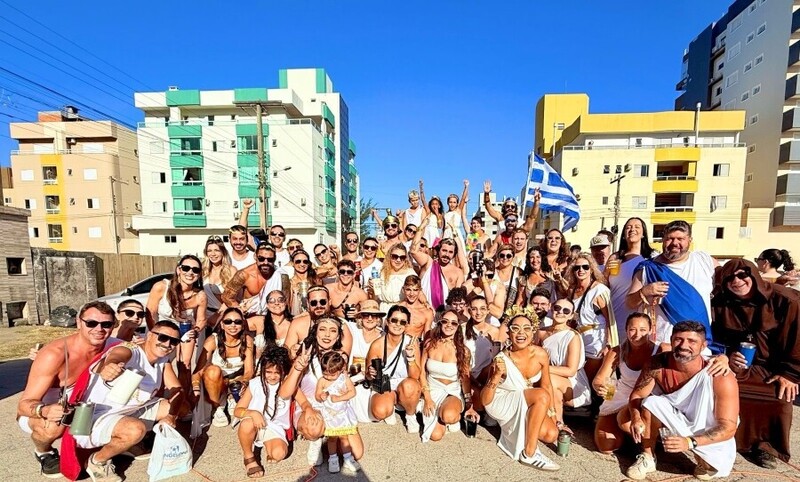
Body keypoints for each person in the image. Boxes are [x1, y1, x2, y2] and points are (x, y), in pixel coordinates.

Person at [711, 259, 800, 467]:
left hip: (778, 366)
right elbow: (718, 338)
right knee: (725, 388)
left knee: (779, 395)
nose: (737, 281)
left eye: (743, 275)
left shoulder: (786, 300)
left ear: (754, 276)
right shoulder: (722, 303)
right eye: (730, 278)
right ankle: (729, 439)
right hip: (743, 364)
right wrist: (728, 354)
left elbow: (798, 339)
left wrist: (791, 374)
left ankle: (766, 447)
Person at [74, 321, 186, 482]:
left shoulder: (162, 361)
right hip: (96, 415)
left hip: (129, 410)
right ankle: (97, 461)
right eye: (163, 337)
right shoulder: (131, 351)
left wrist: (171, 416)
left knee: (178, 407)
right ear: (149, 335)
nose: (167, 344)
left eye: (174, 341)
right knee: (136, 430)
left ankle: (129, 444)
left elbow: (178, 390)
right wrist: (110, 365)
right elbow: (117, 355)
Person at [627, 321, 738, 480]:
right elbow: (637, 395)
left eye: (692, 341)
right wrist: (636, 418)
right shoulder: (657, 364)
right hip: (676, 417)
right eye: (679, 339)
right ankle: (648, 457)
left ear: (703, 345)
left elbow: (728, 427)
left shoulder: (720, 375)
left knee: (710, 469)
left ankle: (702, 458)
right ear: (671, 340)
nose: (684, 345)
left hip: (706, 426)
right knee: (651, 403)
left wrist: (689, 442)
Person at [17, 301, 118, 478]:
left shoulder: (113, 345)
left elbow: (140, 349)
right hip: (46, 411)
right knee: (54, 428)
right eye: (91, 323)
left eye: (106, 324)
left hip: (80, 409)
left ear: (112, 326)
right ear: (79, 323)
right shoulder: (54, 354)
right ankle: (44, 452)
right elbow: (24, 406)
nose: (99, 329)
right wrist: (45, 410)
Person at [481, 314, 560, 471]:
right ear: (509, 334)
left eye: (526, 328)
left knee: (551, 435)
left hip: (527, 399)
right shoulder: (501, 359)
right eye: (515, 328)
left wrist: (554, 414)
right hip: (502, 403)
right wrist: (496, 376)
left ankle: (526, 421)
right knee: (541, 395)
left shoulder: (541, 354)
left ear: (532, 332)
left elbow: (546, 384)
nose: (521, 333)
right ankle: (529, 454)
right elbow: (485, 400)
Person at [626, 220, 719, 345]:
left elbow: (727, 285)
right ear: (663, 240)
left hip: (699, 343)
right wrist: (645, 291)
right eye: (670, 238)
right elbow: (629, 303)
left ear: (689, 240)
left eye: (680, 238)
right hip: (662, 344)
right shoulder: (647, 268)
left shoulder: (704, 261)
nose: (675, 243)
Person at [234, 344, 308, 478]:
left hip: (275, 427)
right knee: (246, 424)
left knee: (279, 454)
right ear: (262, 369)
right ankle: (249, 456)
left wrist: (309, 411)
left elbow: (303, 402)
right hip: (254, 424)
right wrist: (252, 413)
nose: (272, 376)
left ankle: (270, 446)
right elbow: (237, 410)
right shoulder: (255, 383)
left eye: (277, 373)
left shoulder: (287, 384)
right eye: (268, 372)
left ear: (283, 372)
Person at [593, 312, 659, 454]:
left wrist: (720, 358)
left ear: (650, 330)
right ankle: (630, 437)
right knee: (606, 445)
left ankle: (648, 445)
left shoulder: (659, 350)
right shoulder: (618, 351)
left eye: (642, 330)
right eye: (632, 329)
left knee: (624, 420)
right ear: (626, 330)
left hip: (645, 397)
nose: (637, 334)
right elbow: (599, 379)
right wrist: (601, 389)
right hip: (621, 393)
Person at [296, 317, 358, 466]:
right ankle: (316, 440)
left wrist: (340, 396)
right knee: (315, 428)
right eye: (322, 330)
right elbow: (293, 388)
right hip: (312, 405)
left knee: (357, 451)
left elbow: (348, 387)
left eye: (332, 331)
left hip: (337, 409)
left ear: (338, 336)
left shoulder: (339, 359)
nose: (327, 335)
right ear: (315, 332)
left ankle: (338, 450)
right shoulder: (305, 354)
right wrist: (308, 405)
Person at [146, 255, 207, 387]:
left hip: (185, 329)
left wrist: (196, 331)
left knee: (185, 364)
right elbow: (150, 312)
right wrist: (154, 333)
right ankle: (157, 392)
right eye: (186, 268)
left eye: (195, 270)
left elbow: (201, 320)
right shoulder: (161, 287)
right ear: (178, 270)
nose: (190, 273)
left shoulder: (200, 295)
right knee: (160, 363)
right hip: (162, 329)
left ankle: (183, 397)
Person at [420, 310, 479, 441]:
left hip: (452, 391)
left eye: (453, 323)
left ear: (458, 326)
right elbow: (422, 372)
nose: (449, 325)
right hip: (432, 389)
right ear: (440, 323)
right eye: (445, 321)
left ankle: (453, 416)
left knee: (449, 416)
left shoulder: (464, 351)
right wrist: (427, 398)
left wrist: (469, 405)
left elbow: (465, 379)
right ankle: (441, 415)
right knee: (435, 436)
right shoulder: (429, 344)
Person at [193, 307, 255, 428]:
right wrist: (196, 388)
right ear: (222, 324)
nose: (233, 325)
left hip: (237, 381)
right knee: (212, 370)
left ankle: (232, 397)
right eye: (228, 322)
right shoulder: (212, 340)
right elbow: (198, 371)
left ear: (242, 325)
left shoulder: (247, 340)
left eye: (237, 322)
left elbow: (249, 371)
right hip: (216, 382)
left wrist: (244, 383)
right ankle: (218, 407)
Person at [365, 305, 422, 432]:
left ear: (407, 325)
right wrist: (370, 373)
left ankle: (410, 414)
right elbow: (368, 376)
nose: (398, 325)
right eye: (394, 320)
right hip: (384, 385)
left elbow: (415, 377)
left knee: (410, 386)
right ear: (387, 321)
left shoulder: (411, 343)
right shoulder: (377, 344)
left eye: (402, 322)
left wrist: (411, 357)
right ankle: (392, 403)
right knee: (380, 412)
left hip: (405, 384)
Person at [538, 298, 591, 430]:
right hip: (548, 377)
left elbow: (571, 371)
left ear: (571, 315)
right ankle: (556, 422)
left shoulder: (573, 336)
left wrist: (544, 368)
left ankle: (558, 422)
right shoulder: (541, 332)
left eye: (566, 310)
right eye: (557, 308)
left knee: (551, 380)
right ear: (551, 309)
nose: (560, 312)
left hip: (572, 383)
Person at [566, 253, 616, 383]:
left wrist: (609, 345)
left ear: (591, 269)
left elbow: (610, 320)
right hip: (577, 340)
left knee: (586, 382)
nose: (581, 270)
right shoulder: (572, 290)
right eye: (577, 268)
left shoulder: (600, 290)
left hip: (595, 342)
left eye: (585, 267)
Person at [606, 217, 657, 343]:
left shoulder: (652, 257)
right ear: (623, 234)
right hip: (614, 315)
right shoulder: (615, 257)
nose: (632, 229)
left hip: (639, 318)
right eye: (628, 227)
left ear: (643, 233)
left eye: (637, 227)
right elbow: (604, 285)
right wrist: (605, 272)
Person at [221, 243, 292, 327]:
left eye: (270, 260)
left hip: (274, 319)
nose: (265, 262)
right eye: (261, 259)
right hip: (250, 318)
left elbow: (286, 301)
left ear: (275, 259)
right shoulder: (244, 274)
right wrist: (239, 310)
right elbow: (226, 296)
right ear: (255, 257)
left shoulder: (281, 275)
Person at [315, 351, 362, 474]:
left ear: (340, 370)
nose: (328, 377)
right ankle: (333, 458)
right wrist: (322, 396)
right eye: (325, 374)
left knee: (344, 438)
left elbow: (352, 392)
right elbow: (317, 396)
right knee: (331, 439)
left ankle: (348, 458)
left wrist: (340, 398)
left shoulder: (344, 378)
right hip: (330, 415)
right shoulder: (322, 381)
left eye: (332, 375)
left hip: (343, 414)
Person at [284, 286, 354, 357]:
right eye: (314, 303)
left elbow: (344, 358)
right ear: (308, 304)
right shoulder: (298, 324)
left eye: (322, 302)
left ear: (329, 302)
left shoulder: (341, 325)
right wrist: (292, 353)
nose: (319, 306)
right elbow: (286, 354)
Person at [346, 300, 385, 423]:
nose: (369, 318)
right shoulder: (352, 330)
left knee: (376, 412)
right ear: (360, 317)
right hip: (352, 378)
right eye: (365, 315)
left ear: (378, 318)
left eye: (373, 315)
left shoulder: (384, 336)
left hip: (373, 380)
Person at [368, 243, 416, 312]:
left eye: (402, 257)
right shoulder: (380, 272)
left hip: (403, 310)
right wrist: (372, 290)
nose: (398, 260)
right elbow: (375, 298)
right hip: (383, 310)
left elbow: (418, 292)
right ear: (389, 256)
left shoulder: (410, 273)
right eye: (395, 256)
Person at [202, 235, 235, 325]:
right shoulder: (203, 271)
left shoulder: (231, 271)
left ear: (223, 252)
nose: (213, 254)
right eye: (209, 251)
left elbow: (233, 297)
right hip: (203, 315)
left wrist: (217, 316)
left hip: (224, 315)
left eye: (216, 250)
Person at [464, 259, 507, 325]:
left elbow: (498, 314)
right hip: (470, 320)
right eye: (484, 275)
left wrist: (484, 281)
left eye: (490, 276)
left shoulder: (499, 287)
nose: (486, 278)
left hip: (490, 322)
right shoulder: (469, 285)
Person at [289, 249, 317, 316]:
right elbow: (288, 306)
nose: (302, 264)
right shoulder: (290, 282)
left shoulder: (315, 279)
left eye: (305, 261)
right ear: (292, 263)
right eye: (298, 261)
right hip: (297, 319)